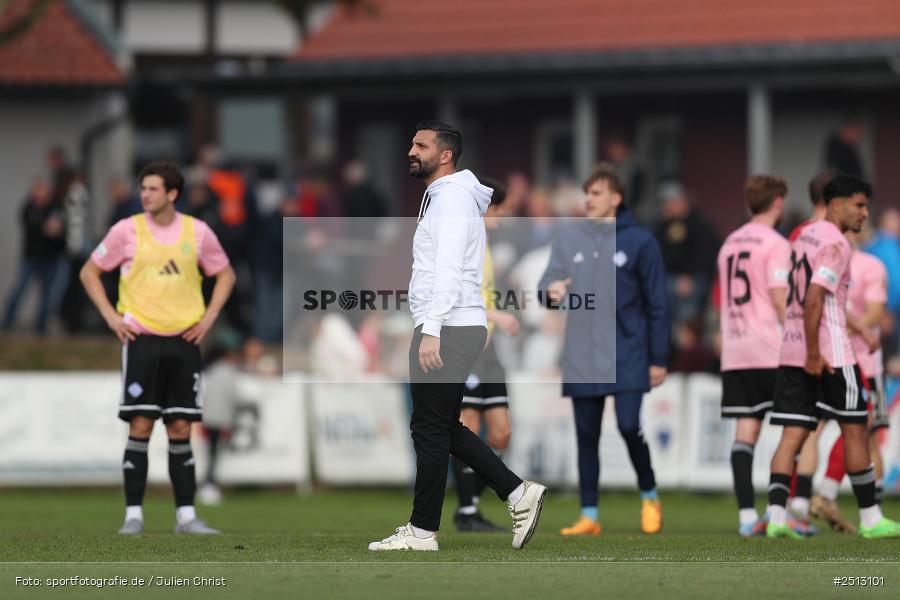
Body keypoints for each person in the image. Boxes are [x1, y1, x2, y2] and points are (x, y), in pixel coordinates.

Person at [368, 120, 546, 552]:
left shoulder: (448, 199)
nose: (411, 150)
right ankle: (518, 493)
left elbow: (446, 269)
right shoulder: (448, 196)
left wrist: (430, 331)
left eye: (421, 145)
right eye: (411, 142)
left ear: (445, 154)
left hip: (445, 325)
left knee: (429, 429)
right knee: (442, 426)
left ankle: (422, 531)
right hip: (456, 324)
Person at [79, 161, 236, 535]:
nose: (144, 194)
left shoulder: (197, 232)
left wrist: (209, 318)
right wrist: (111, 316)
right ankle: (133, 515)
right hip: (141, 339)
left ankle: (186, 517)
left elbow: (225, 274)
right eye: (143, 187)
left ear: (172, 194)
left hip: (184, 340)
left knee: (181, 426)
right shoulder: (125, 230)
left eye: (152, 189)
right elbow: (89, 272)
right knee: (141, 423)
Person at [765, 174, 900, 539]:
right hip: (831, 354)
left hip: (791, 348)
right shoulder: (837, 245)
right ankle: (871, 519)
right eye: (859, 205)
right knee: (857, 429)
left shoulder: (803, 236)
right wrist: (815, 353)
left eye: (867, 206)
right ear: (836, 204)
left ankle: (777, 518)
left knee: (793, 434)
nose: (864, 213)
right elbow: (815, 298)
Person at [539, 163, 669, 536]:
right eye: (587, 193)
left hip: (628, 351)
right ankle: (590, 516)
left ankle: (649, 495)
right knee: (586, 435)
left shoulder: (640, 242)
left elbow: (658, 304)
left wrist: (659, 357)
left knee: (629, 426)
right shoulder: (569, 240)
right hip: (581, 353)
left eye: (596, 193)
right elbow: (547, 285)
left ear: (616, 197)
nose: (589, 200)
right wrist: (550, 293)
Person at [716, 175, 791, 536]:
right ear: (778, 202)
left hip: (735, 347)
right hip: (769, 348)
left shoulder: (729, 242)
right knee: (796, 428)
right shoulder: (776, 243)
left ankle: (747, 517)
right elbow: (779, 299)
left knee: (745, 433)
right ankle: (785, 511)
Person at [450, 176, 521, 532]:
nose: (503, 216)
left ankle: (472, 504)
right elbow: (458, 294)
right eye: (500, 209)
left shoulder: (485, 244)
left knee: (501, 433)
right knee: (469, 427)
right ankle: (467, 510)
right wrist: (497, 315)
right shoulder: (464, 241)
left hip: (489, 350)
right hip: (468, 347)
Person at [811, 235, 889, 533]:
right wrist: (849, 323)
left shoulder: (821, 262)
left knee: (815, 432)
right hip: (862, 362)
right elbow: (873, 315)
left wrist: (833, 320)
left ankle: (804, 503)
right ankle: (869, 511)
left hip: (829, 358)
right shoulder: (870, 265)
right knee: (866, 434)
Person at [2, 177, 66, 334]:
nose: (39, 193)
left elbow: (59, 229)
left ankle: (41, 327)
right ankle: (7, 322)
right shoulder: (29, 207)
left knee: (47, 295)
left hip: (50, 258)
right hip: (31, 257)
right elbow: (34, 227)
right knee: (20, 289)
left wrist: (51, 229)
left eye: (42, 189)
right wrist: (46, 227)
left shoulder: (56, 207)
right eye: (37, 189)